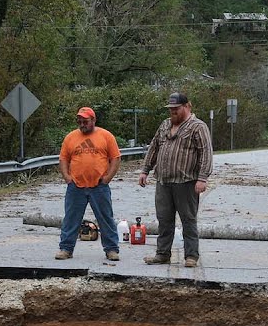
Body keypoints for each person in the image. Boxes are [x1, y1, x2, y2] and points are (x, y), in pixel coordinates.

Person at [138, 92, 213, 267]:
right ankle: (162, 254)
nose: (172, 112)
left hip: (186, 182)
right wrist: (145, 170)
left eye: (176, 109)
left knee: (188, 220)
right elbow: (154, 147)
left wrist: (202, 178)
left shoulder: (198, 127)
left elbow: (206, 153)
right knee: (164, 220)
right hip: (163, 182)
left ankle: (191, 256)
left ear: (187, 106)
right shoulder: (165, 125)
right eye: (170, 109)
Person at [56, 106, 121, 261]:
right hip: (76, 187)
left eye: (85, 121)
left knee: (106, 218)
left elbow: (116, 158)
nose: (82, 124)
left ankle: (111, 249)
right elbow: (63, 159)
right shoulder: (70, 137)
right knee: (71, 218)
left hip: (99, 187)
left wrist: (107, 178)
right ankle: (66, 249)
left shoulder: (106, 136)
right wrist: (67, 177)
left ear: (93, 120)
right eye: (79, 121)